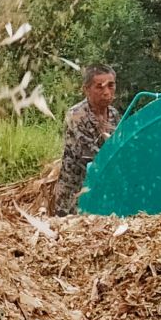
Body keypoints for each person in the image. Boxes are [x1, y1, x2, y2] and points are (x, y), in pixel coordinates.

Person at [53, 64, 120, 216]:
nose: (107, 92)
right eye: (99, 87)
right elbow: (94, 156)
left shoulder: (114, 115)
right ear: (86, 89)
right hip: (75, 196)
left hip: (102, 194)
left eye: (111, 86)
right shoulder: (76, 115)